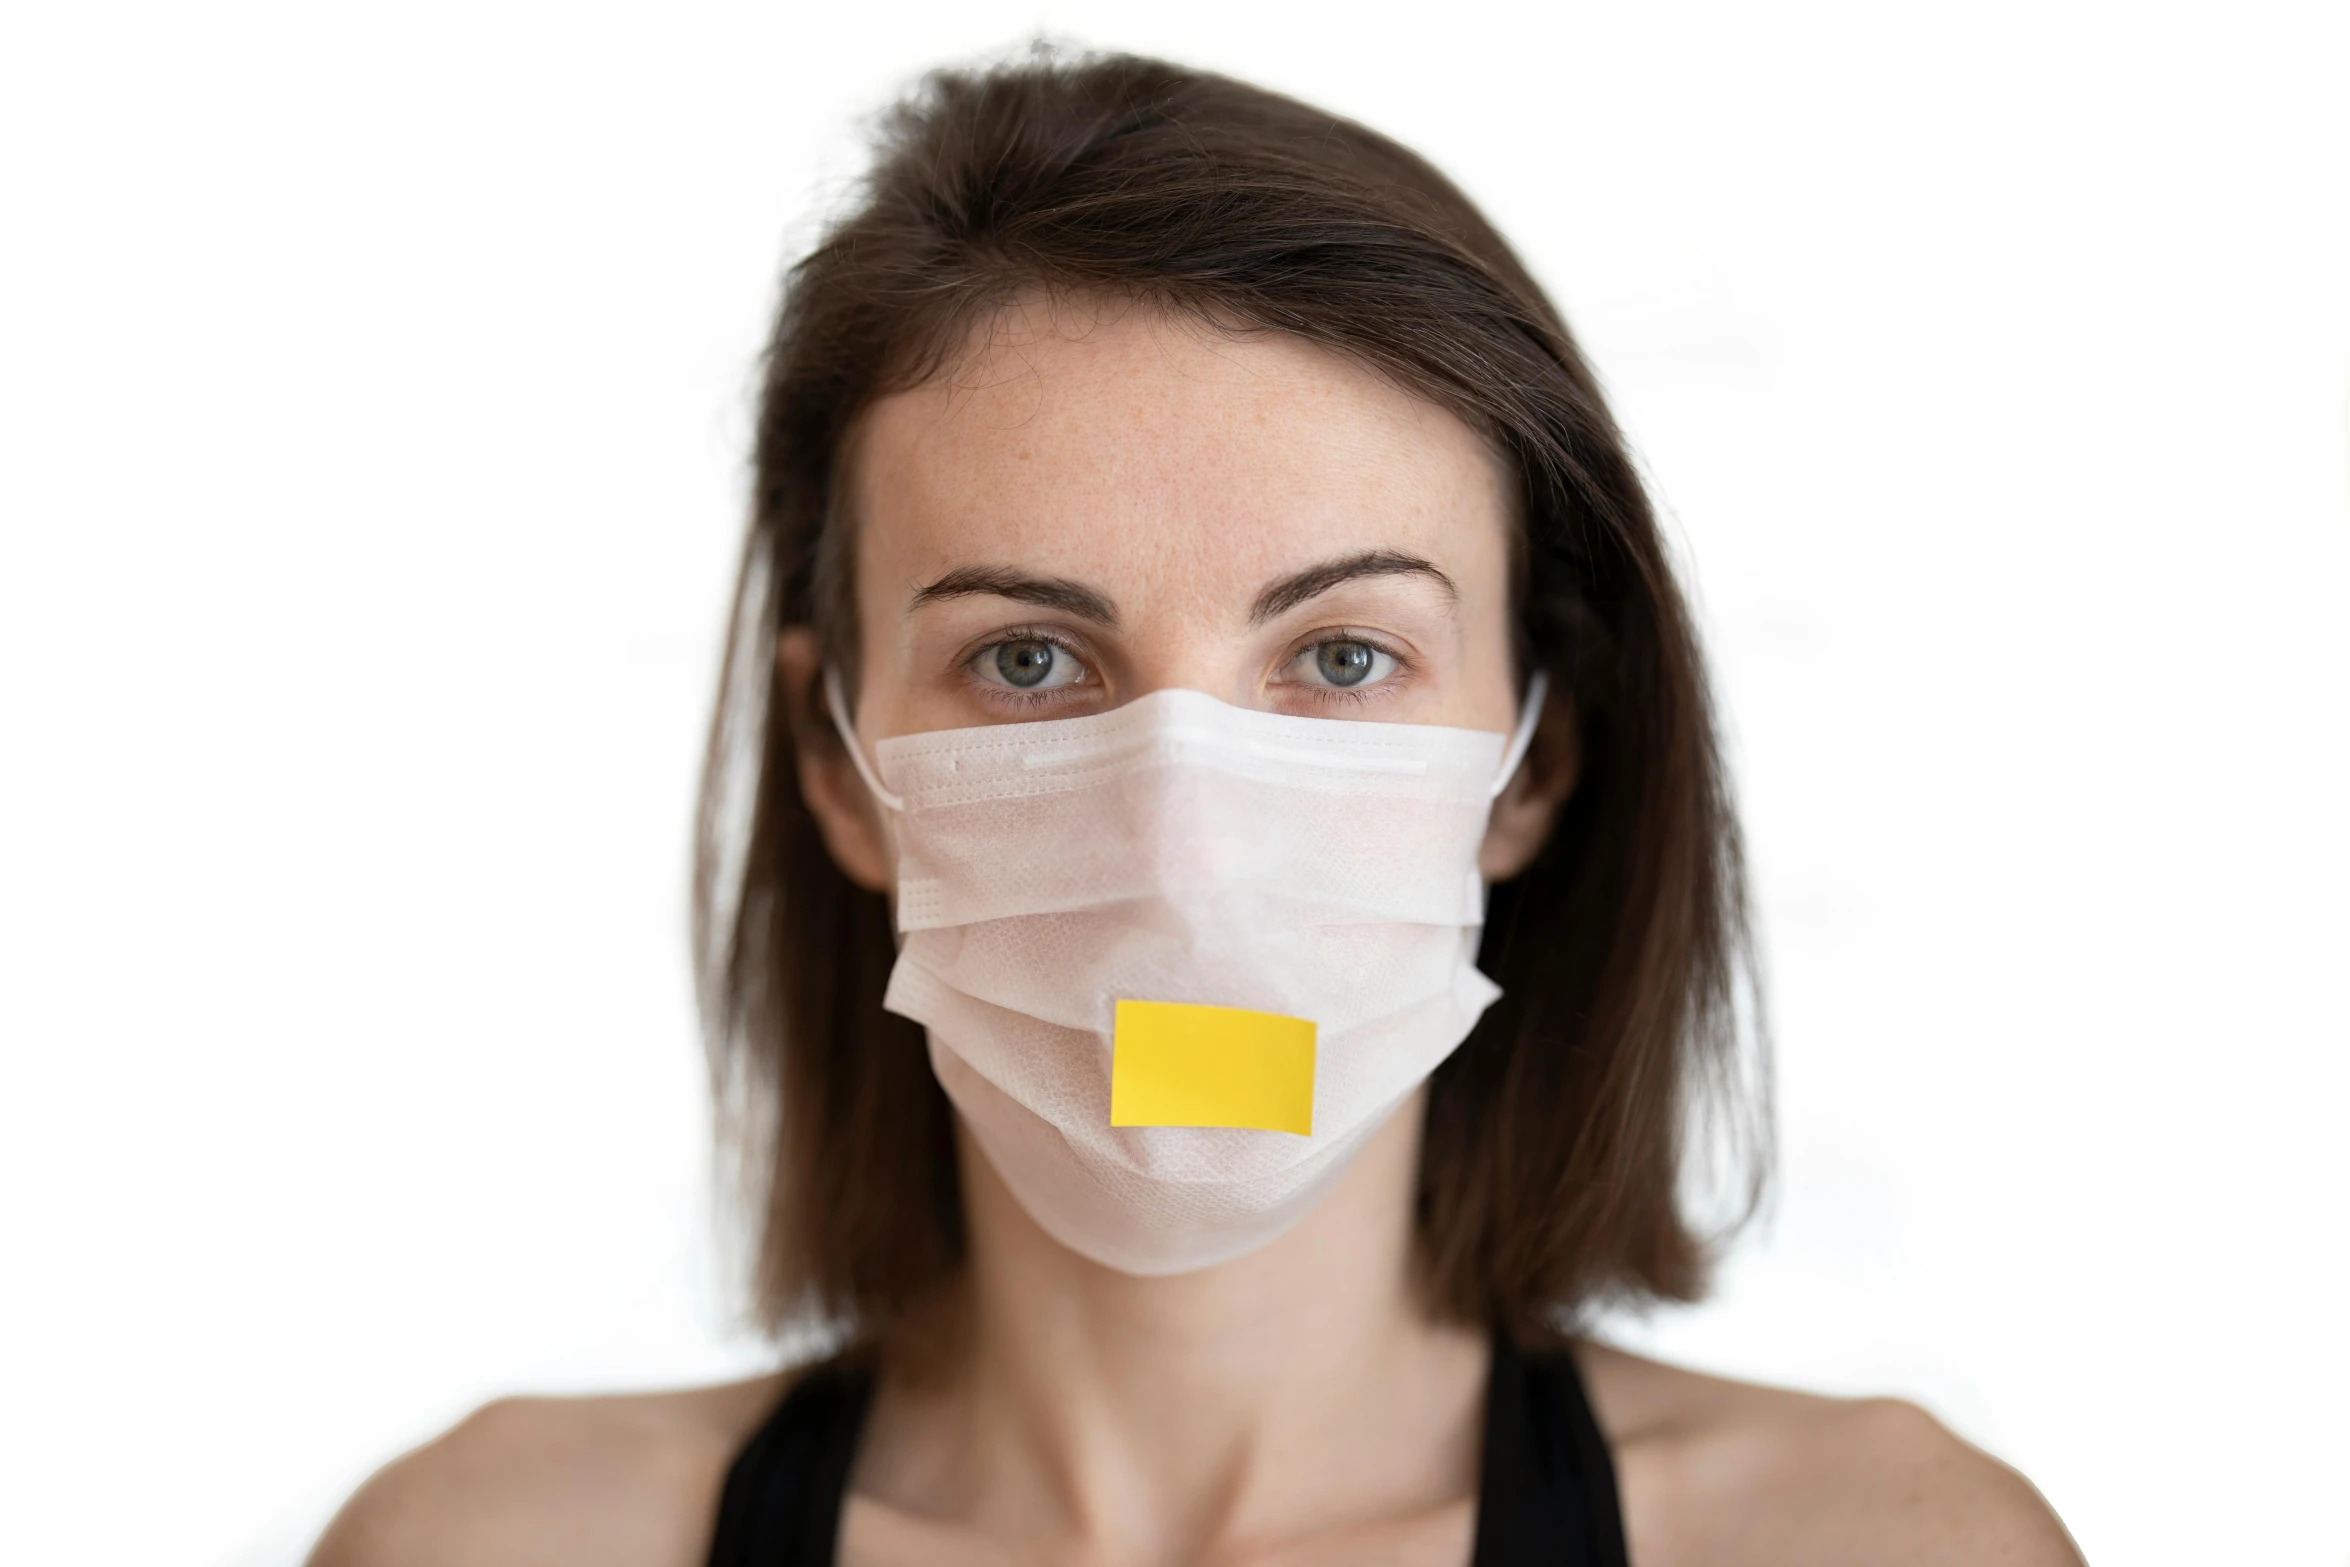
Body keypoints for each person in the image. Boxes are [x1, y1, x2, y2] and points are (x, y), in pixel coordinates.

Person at [310, 52, 2084, 1567]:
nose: (1184, 848)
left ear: (1533, 758)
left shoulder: (1879, 1539)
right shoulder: (494, 1539)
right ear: (835, 764)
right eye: (1025, 660)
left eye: (1337, 658)